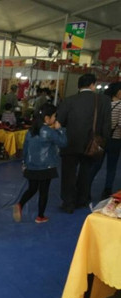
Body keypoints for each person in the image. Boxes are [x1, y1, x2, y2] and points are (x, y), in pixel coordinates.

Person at [56, 73, 111, 213]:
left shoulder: (69, 100)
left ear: (78, 86)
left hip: (70, 143)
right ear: (93, 85)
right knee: (85, 172)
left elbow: (59, 122)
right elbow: (106, 125)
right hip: (91, 144)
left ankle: (68, 203)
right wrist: (103, 144)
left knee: (68, 173)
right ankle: (82, 199)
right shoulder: (103, 100)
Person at [13, 103, 67, 223]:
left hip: (31, 166)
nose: (55, 119)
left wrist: (25, 163)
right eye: (54, 116)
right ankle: (40, 216)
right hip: (46, 166)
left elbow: (25, 149)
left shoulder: (31, 131)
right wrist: (60, 130)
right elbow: (63, 143)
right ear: (47, 118)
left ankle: (20, 204)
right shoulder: (49, 131)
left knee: (32, 188)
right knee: (44, 191)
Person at [99, 82, 121, 198]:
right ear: (117, 91)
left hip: (102, 138)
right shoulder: (120, 105)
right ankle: (107, 190)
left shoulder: (104, 104)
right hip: (115, 140)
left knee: (96, 165)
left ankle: (84, 188)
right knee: (111, 167)